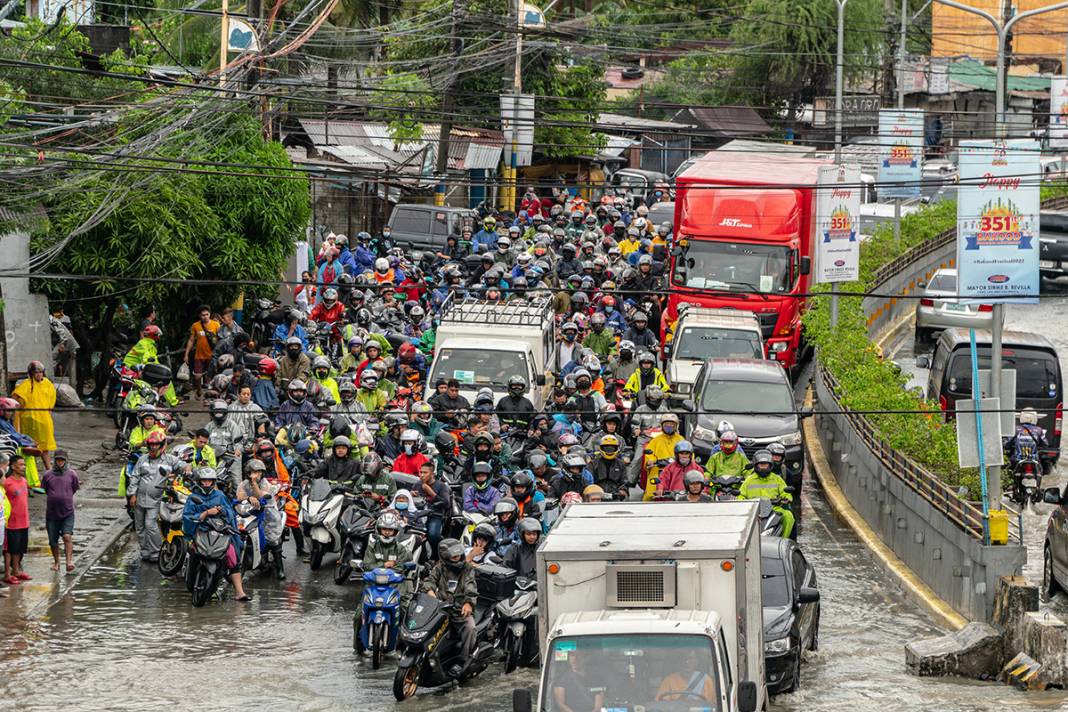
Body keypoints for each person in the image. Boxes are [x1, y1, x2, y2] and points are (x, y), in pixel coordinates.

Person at [182, 468, 250, 601]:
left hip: (220, 532)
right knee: (192, 551)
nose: (206, 483)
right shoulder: (192, 497)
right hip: (200, 532)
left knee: (232, 555)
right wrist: (205, 514)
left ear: (213, 482)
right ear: (199, 482)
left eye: (209, 481)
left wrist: (222, 511)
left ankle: (239, 592)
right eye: (204, 481)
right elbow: (187, 517)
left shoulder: (220, 496)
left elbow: (230, 514)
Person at [422, 538, 479, 678]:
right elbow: (429, 581)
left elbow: (470, 587)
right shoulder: (439, 567)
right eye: (453, 556)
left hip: (459, 609)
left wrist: (468, 603)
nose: (457, 558)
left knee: (470, 628)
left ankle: (462, 661)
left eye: (458, 555)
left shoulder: (467, 568)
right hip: (440, 609)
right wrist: (430, 592)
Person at [128, 431, 183, 562]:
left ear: (162, 445)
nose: (153, 448)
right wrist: (132, 495)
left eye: (156, 445)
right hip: (140, 499)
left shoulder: (170, 460)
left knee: (150, 525)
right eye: (151, 445)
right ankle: (145, 551)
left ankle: (157, 551)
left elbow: (182, 466)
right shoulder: (142, 460)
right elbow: (135, 477)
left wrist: (187, 468)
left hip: (156, 500)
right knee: (140, 527)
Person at [13, 360, 57, 477]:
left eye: (41, 372)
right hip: (28, 422)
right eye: (36, 373)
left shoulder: (48, 384)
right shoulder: (26, 385)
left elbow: (51, 402)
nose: (39, 375)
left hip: (44, 421)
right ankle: (28, 474)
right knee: (29, 449)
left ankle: (49, 471)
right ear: (31, 373)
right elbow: (18, 401)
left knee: (45, 448)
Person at [739, 450, 794, 538]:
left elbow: (785, 492)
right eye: (761, 465)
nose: (763, 467)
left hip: (774, 510)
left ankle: (783, 540)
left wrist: (786, 498)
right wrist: (741, 500)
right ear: (756, 465)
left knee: (789, 516)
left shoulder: (777, 479)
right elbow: (741, 494)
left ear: (770, 465)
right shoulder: (749, 480)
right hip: (753, 510)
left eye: (766, 465)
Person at [43, 449, 80, 572]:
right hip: (52, 513)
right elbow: (46, 489)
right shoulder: (48, 475)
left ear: (66, 461)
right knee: (53, 540)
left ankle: (69, 561)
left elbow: (74, 488)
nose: (60, 462)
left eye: (62, 460)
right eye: (58, 460)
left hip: (67, 512)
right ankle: (56, 562)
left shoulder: (72, 474)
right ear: (54, 460)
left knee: (67, 536)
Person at [642, 413, 683, 500]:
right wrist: (651, 461)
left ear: (676, 426)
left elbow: (689, 453)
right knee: (650, 494)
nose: (669, 426)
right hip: (658, 470)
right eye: (666, 424)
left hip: (676, 471)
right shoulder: (655, 441)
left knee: (681, 494)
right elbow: (649, 455)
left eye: (672, 424)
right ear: (662, 426)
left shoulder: (681, 440)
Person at [3, 455, 30, 585]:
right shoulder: (7, 482)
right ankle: (8, 573)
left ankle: (17, 571)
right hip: (11, 521)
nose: (23, 467)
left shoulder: (24, 481)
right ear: (13, 466)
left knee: (20, 548)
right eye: (21, 465)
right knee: (9, 549)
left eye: (24, 464)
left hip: (24, 520)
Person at [183, 305, 220, 399]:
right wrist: (186, 354)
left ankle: (209, 396)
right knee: (197, 377)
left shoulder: (216, 325)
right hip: (199, 356)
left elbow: (220, 340)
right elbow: (191, 340)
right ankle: (199, 389)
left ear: (210, 314)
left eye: (207, 314)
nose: (205, 317)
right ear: (200, 316)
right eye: (203, 315)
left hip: (212, 356)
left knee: (210, 378)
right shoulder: (196, 325)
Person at [551, 648, 604, 712]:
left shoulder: (595, 678)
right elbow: (561, 705)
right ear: (568, 658)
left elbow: (598, 706)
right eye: (572, 655)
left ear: (585, 657)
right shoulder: (561, 679)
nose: (575, 659)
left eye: (579, 655)